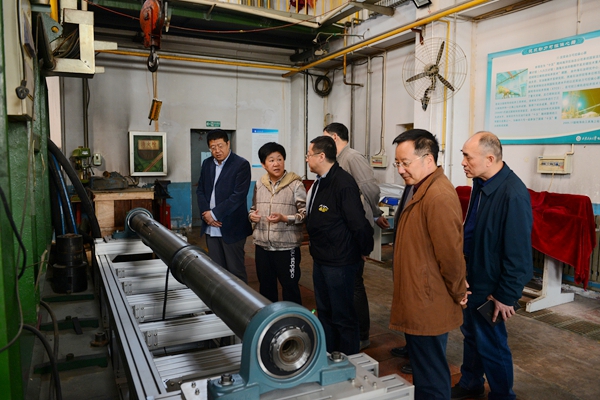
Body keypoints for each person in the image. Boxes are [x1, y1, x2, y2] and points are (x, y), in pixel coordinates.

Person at [452, 131, 533, 400]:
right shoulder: (482, 183)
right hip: (474, 277)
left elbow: (519, 254)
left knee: (492, 344)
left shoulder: (513, 194)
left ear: (489, 159)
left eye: (468, 157)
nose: (462, 162)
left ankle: (502, 395)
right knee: (472, 336)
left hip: (491, 287)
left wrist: (506, 295)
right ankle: (470, 383)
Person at [389, 129, 468, 400]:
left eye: (405, 163)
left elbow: (451, 255)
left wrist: (459, 291)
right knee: (424, 370)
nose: (400, 169)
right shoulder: (419, 188)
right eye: (397, 163)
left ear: (428, 159)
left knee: (431, 374)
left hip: (428, 299)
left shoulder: (438, 196)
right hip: (419, 297)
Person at [305, 135, 374, 356]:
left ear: (321, 156)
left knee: (343, 315)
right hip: (322, 258)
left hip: (339, 262)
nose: (307, 159)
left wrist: (364, 249)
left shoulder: (343, 183)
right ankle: (329, 355)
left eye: (309, 155)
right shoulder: (321, 181)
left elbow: (359, 223)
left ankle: (348, 359)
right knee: (325, 311)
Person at [323, 122, 389, 350]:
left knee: (354, 284)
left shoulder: (352, 157)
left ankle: (362, 334)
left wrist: (375, 213)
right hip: (343, 230)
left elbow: (370, 188)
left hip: (355, 229)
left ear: (334, 137)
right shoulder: (338, 159)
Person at [249, 142, 306, 304]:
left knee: (290, 288)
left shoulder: (296, 184)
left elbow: (304, 215)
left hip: (287, 247)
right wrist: (252, 216)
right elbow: (253, 208)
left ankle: (293, 318)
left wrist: (284, 218)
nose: (276, 164)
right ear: (263, 164)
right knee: (266, 289)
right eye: (271, 160)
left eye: (279, 159)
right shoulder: (259, 184)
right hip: (262, 246)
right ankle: (271, 319)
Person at [196, 129, 252, 282]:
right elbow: (200, 190)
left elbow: (238, 196)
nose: (217, 150)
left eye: (220, 146)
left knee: (235, 271)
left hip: (232, 227)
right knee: (216, 271)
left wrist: (214, 214)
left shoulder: (241, 164)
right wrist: (206, 214)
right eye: (213, 147)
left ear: (228, 144)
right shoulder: (207, 164)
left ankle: (240, 298)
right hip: (210, 226)